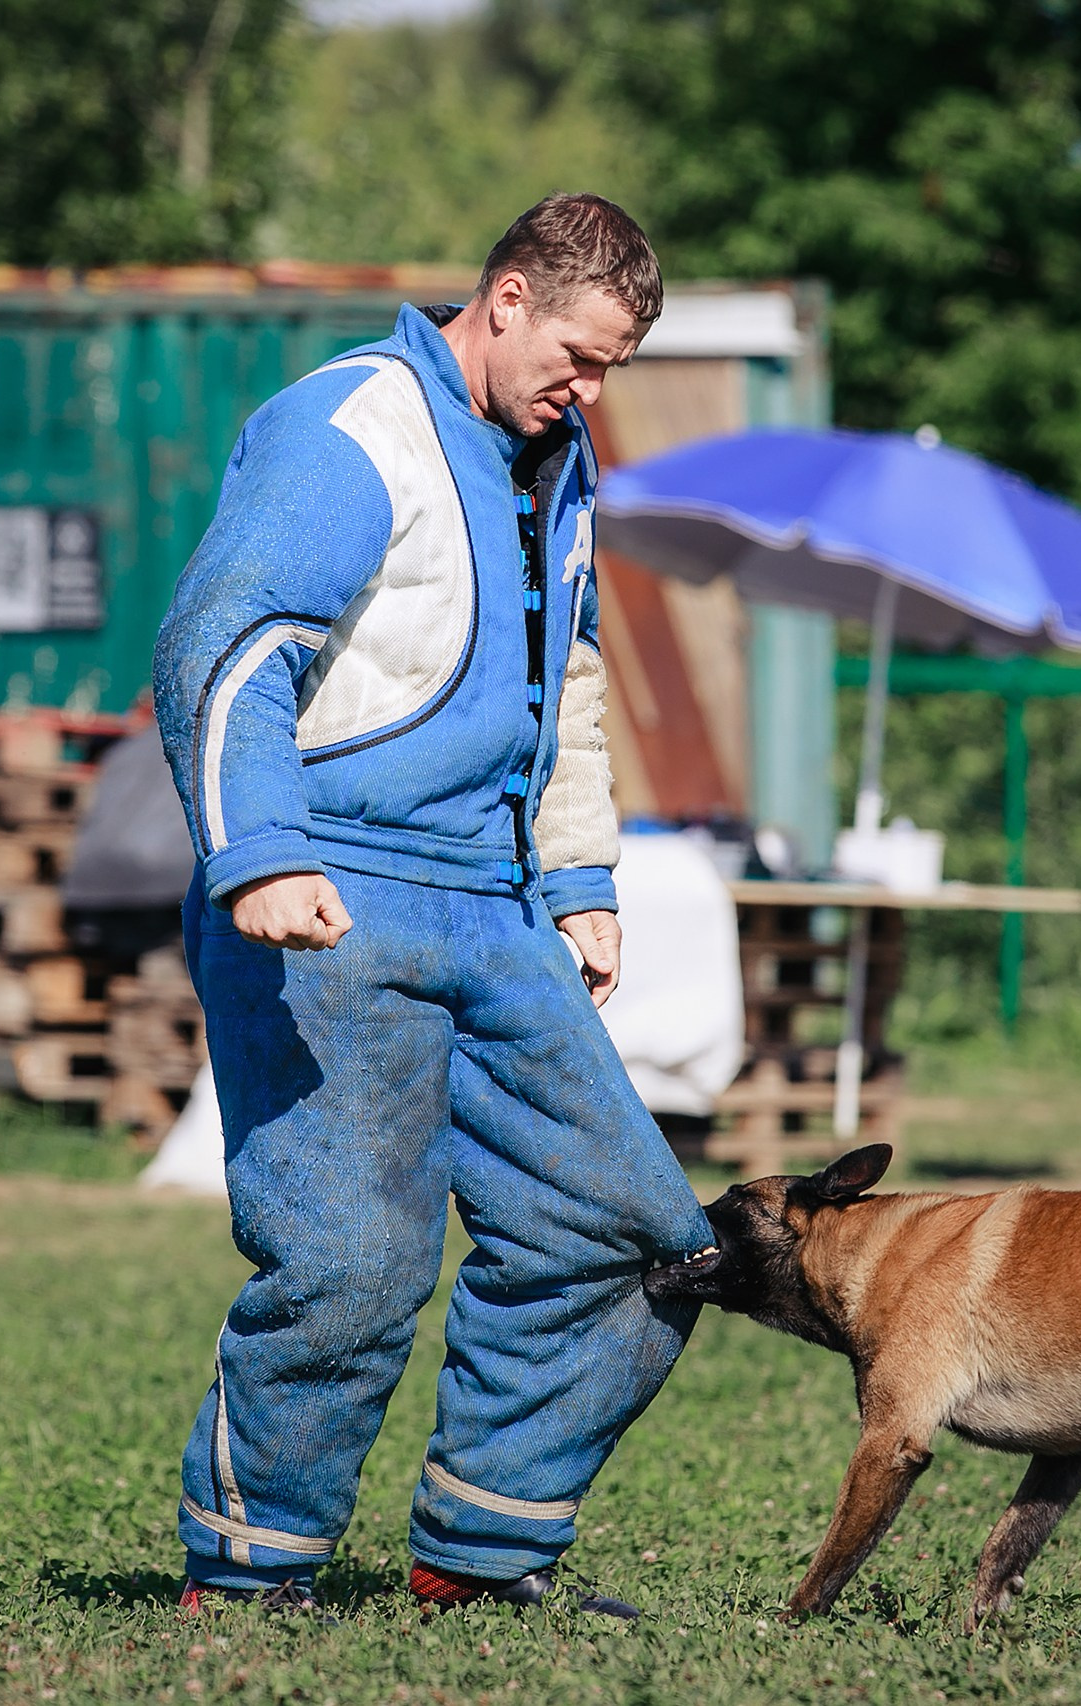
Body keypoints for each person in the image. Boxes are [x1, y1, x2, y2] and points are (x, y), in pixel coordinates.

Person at [153, 194, 715, 1621]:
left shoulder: (560, 454)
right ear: (509, 297)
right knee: (349, 1262)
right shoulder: (351, 424)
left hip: (499, 908)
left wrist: (582, 879)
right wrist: (261, 851)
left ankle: (480, 1551)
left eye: (614, 371)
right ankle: (254, 1570)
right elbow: (223, 643)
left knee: (636, 1235)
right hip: (331, 893)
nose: (591, 394)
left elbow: (568, 679)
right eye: (579, 358)